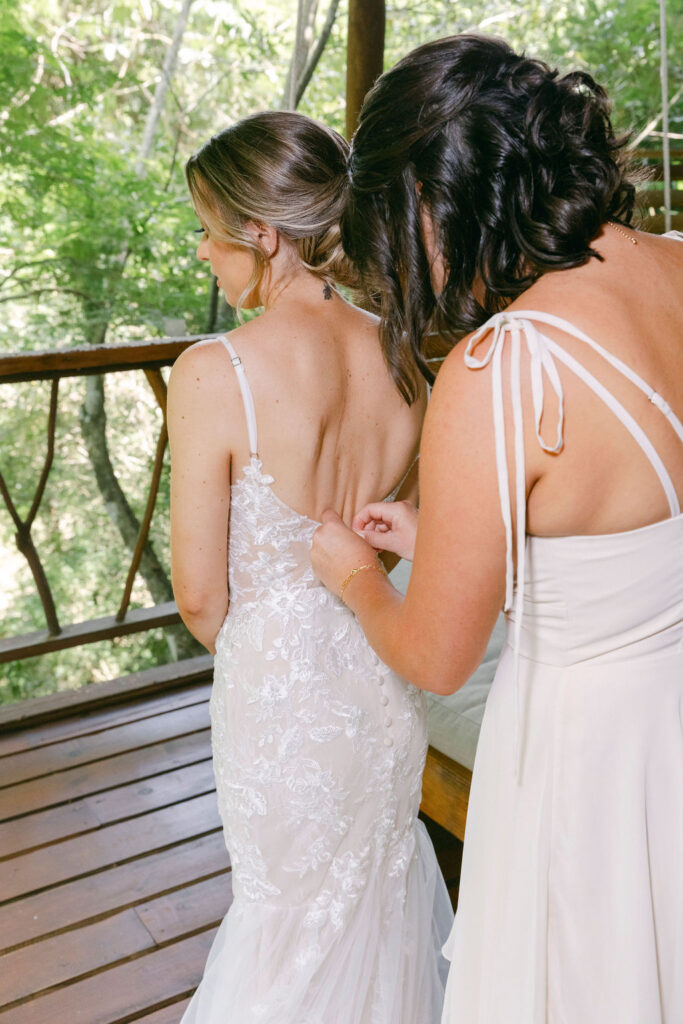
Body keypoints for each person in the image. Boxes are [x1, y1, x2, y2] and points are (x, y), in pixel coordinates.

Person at [311, 34, 683, 1024]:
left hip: (585, 759)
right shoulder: (676, 267)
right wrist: (445, 535)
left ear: (426, 206)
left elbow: (434, 656)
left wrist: (355, 572)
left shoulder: (500, 368)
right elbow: (619, 530)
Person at [167, 110, 452, 1024]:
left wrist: (271, 661)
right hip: (380, 669)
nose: (203, 253)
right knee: (375, 897)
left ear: (261, 232)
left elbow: (201, 596)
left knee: (285, 922)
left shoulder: (214, 372)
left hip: (279, 695)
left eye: (210, 229)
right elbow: (404, 523)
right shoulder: (404, 349)